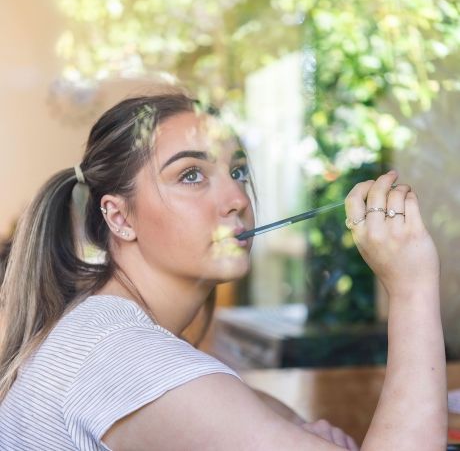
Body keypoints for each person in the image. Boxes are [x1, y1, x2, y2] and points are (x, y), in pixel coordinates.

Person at [0, 86, 446, 450]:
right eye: (191, 175)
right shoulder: (122, 354)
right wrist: (412, 287)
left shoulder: (100, 326)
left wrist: (286, 430)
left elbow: (221, 398)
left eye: (237, 172)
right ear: (119, 217)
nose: (237, 200)